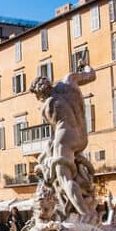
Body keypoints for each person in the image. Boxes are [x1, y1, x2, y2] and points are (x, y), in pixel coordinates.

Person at [30, 67, 97, 216]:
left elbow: (55, 133)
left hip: (64, 139)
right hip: (80, 137)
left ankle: (85, 215)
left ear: (39, 93)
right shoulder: (69, 81)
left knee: (64, 179)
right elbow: (91, 74)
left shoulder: (47, 106)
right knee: (66, 170)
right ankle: (78, 207)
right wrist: (85, 65)